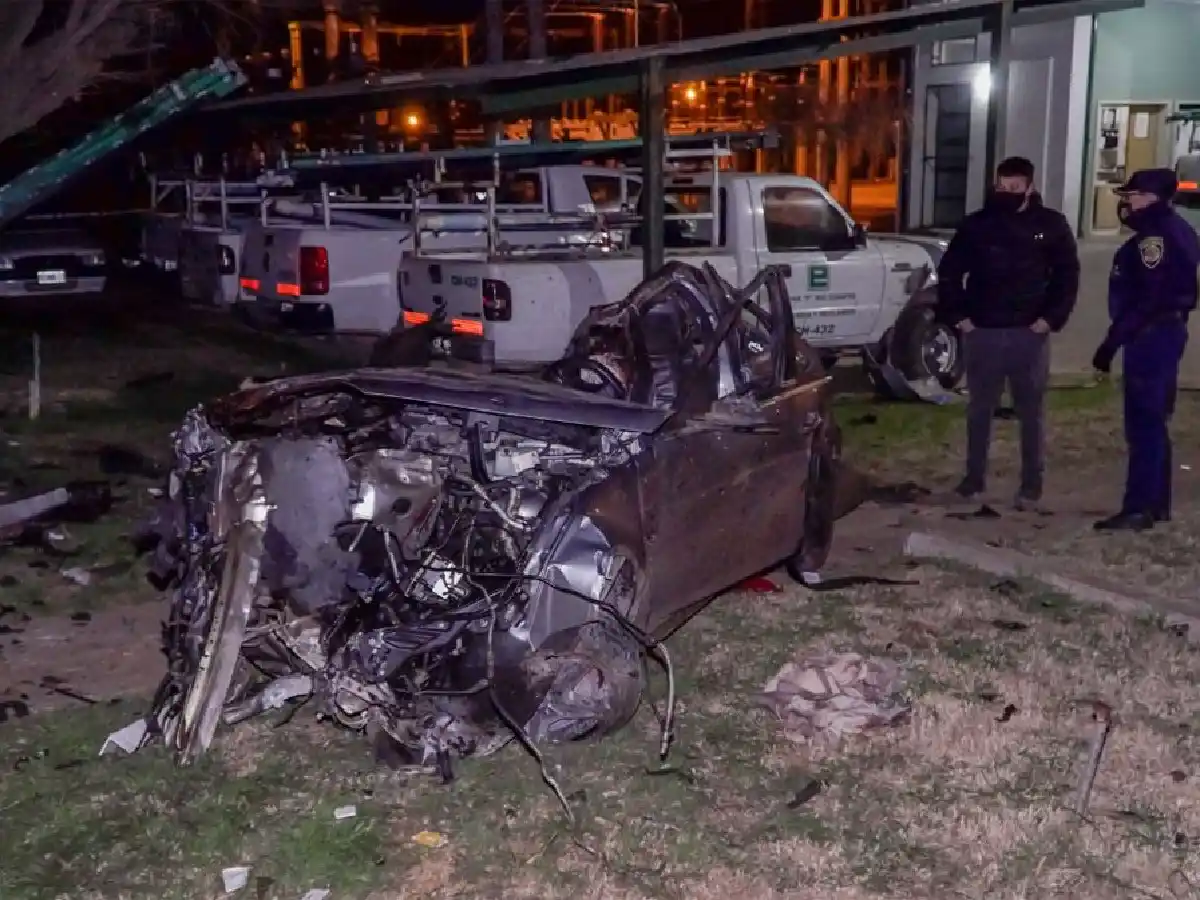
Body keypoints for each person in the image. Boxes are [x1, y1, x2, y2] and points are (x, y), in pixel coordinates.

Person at [936, 156, 1081, 509]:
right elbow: (951, 272)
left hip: (1028, 333)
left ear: (1030, 187)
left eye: (1015, 187)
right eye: (1002, 186)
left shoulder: (1050, 225)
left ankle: (1032, 483)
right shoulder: (977, 225)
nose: (1007, 192)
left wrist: (1049, 320)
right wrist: (961, 318)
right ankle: (973, 479)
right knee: (979, 410)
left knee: (1030, 412)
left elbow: (1066, 275)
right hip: (982, 331)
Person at [1091, 168, 1200, 531]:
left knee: (1143, 423)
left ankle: (1139, 507)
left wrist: (1110, 344)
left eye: (1134, 197)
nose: (1129, 203)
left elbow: (1147, 299)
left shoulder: (1154, 238)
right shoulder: (1178, 229)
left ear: (1152, 198)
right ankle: (1156, 502)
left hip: (1151, 336)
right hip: (1164, 332)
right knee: (1155, 420)